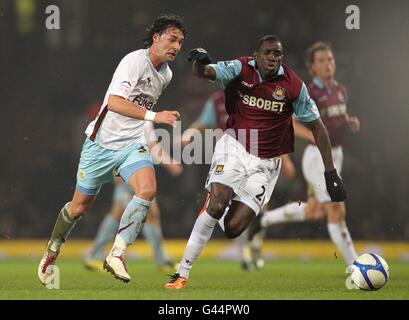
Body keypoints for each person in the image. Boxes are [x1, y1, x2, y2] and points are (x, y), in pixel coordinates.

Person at [165, 35, 346, 289]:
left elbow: (318, 128)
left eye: (278, 54)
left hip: (267, 164)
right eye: (268, 53)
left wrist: (331, 173)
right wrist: (198, 62)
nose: (273, 58)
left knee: (233, 228)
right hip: (234, 147)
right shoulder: (241, 68)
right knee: (217, 204)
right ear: (256, 55)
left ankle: (225, 206)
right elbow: (205, 72)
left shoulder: (293, 85)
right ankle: (182, 272)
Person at [38, 14, 186, 285]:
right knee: (78, 208)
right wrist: (156, 117)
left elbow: (138, 111)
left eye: (180, 42)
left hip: (131, 145)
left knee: (148, 191)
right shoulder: (134, 62)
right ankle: (52, 250)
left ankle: (116, 254)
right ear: (156, 38)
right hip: (100, 146)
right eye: (172, 39)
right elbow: (116, 103)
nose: (177, 46)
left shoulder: (166, 74)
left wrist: (153, 133)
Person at [251, 41, 359, 270]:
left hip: (335, 155)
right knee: (336, 207)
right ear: (312, 67)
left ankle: (265, 219)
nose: (328, 64)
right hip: (317, 158)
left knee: (315, 210)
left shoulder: (341, 90)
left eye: (330, 59)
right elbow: (289, 119)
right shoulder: (310, 91)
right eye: (322, 61)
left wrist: (348, 121)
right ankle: (355, 266)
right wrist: (310, 136)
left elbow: (334, 117)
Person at [181, 91, 296, 271]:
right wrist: (188, 135)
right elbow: (201, 122)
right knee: (225, 205)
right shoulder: (217, 100)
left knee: (258, 210)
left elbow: (274, 129)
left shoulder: (258, 96)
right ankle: (244, 254)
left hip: (256, 159)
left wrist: (285, 159)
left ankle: (255, 243)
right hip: (229, 159)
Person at [84, 122, 183, 272]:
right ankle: (161, 260)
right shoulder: (125, 115)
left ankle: (94, 255)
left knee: (137, 214)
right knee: (134, 213)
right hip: (130, 170)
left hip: (138, 170)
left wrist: (170, 163)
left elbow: (152, 146)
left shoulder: (144, 117)